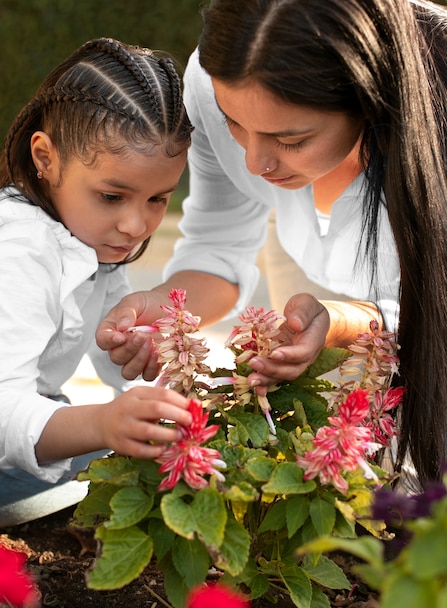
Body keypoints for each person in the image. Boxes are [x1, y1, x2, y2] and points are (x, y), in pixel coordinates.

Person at [96, 0, 447, 491]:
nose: (254, 162)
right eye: (233, 123)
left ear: (369, 100)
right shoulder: (223, 80)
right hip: (310, 287)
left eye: (291, 138)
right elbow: (218, 242)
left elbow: (434, 313)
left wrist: (341, 321)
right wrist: (167, 309)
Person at [0, 37, 195, 524]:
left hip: (32, 413)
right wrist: (105, 424)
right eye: (112, 196)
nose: (135, 225)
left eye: (157, 199)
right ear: (45, 158)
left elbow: (113, 353)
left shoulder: (91, 236)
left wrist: (141, 352)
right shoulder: (20, 249)